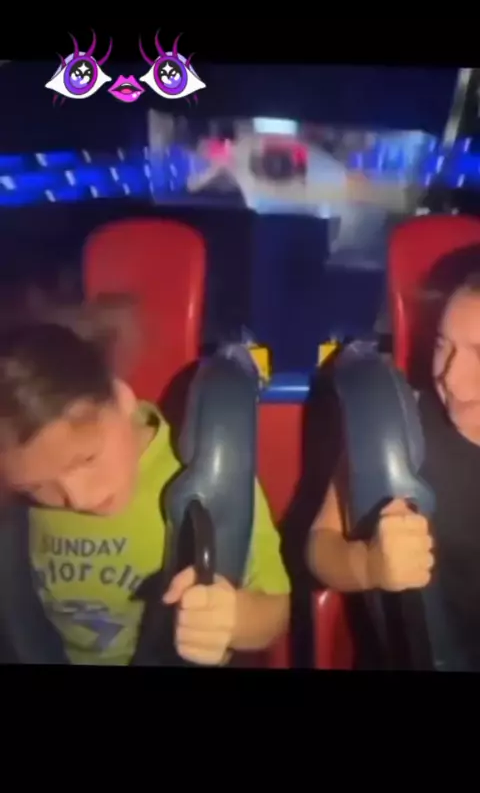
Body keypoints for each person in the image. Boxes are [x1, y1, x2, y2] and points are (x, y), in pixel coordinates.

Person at [0, 299, 290, 665]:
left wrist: (231, 620)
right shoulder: (20, 506)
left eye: (87, 459)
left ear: (122, 399)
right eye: (36, 487)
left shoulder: (203, 477)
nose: (77, 498)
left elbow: (275, 613)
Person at [306, 245, 480, 670]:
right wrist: (369, 566)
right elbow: (320, 546)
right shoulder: (396, 428)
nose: (451, 377)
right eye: (442, 346)